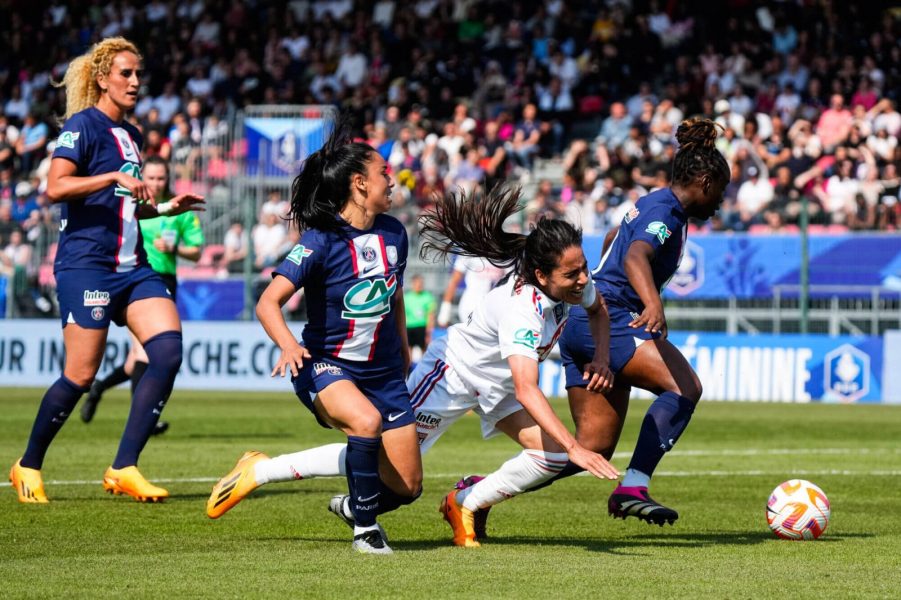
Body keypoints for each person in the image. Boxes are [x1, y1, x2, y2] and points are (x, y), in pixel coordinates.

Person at [203, 185, 620, 548]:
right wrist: (576, 446)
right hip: (450, 376)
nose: (584, 279)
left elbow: (598, 309)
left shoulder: (574, 285)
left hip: (497, 389)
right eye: (573, 273)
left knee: (548, 458)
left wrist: (601, 356)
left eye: (583, 268)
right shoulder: (522, 309)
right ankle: (261, 469)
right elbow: (529, 388)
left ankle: (465, 503)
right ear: (541, 275)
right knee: (387, 462)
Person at [497, 117, 731, 528]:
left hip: (585, 323)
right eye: (721, 191)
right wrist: (652, 303)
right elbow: (635, 256)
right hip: (609, 318)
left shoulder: (653, 202)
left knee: (592, 447)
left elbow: (613, 243)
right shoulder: (667, 212)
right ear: (707, 182)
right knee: (685, 386)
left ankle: (479, 490)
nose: (720, 202)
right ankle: (633, 487)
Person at [206, 119, 421, 555]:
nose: (392, 179)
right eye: (384, 172)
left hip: (384, 373)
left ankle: (271, 473)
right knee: (365, 423)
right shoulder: (320, 242)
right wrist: (289, 345)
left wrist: (402, 354)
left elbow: (392, 297)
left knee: (408, 486)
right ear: (359, 183)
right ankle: (366, 530)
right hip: (327, 365)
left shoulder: (395, 232)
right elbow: (269, 302)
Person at [8, 37, 203, 504]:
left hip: (133, 268)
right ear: (101, 80)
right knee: (79, 376)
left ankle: (124, 466)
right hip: (87, 267)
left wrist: (166, 207)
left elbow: (125, 207)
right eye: (125, 74)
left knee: (169, 351)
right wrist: (113, 176)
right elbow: (55, 187)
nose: (135, 82)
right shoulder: (83, 126)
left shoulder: (132, 136)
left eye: (138, 74)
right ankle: (28, 464)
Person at [79, 155, 205, 433]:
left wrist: (175, 249)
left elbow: (197, 251)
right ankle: (144, 420)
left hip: (164, 279)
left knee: (135, 358)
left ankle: (99, 387)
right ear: (141, 177)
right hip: (131, 277)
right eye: (151, 177)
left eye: (161, 178)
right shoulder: (129, 205)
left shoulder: (177, 208)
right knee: (143, 351)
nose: (156, 182)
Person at [436, 253, 509, 328]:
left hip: (495, 307)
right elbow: (454, 281)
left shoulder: (504, 254)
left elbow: (512, 282)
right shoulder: (469, 253)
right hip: (471, 305)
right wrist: (445, 310)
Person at [403, 273, 436, 364]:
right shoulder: (406, 297)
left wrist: (429, 331)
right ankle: (408, 372)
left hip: (422, 326)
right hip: (409, 327)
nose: (419, 285)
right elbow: (403, 315)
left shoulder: (427, 297)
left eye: (421, 283)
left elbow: (431, 315)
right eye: (417, 283)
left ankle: (423, 371)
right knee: (408, 351)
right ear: (413, 283)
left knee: (424, 351)